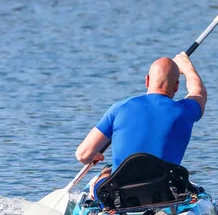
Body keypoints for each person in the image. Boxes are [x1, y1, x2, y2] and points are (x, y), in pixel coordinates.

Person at [75, 51, 207, 199]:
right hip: (165, 194)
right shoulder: (186, 111)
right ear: (176, 86)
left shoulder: (120, 108)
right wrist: (187, 66)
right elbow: (198, 93)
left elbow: (83, 155)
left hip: (121, 197)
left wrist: (95, 155)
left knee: (106, 172)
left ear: (147, 80)